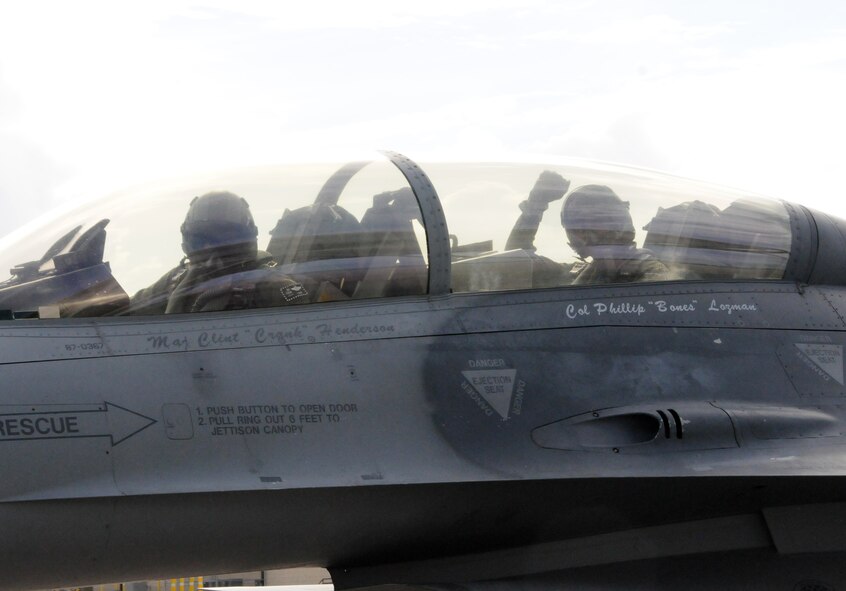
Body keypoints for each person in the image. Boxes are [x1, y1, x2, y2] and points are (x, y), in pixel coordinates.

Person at [129, 191, 309, 314]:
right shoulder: (176, 280)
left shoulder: (275, 286)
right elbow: (123, 312)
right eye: (200, 239)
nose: (209, 250)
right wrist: (101, 278)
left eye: (222, 240)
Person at [561, 184, 670, 285]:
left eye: (594, 222)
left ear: (618, 223)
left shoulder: (650, 272)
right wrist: (543, 201)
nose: (581, 233)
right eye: (576, 226)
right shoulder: (588, 270)